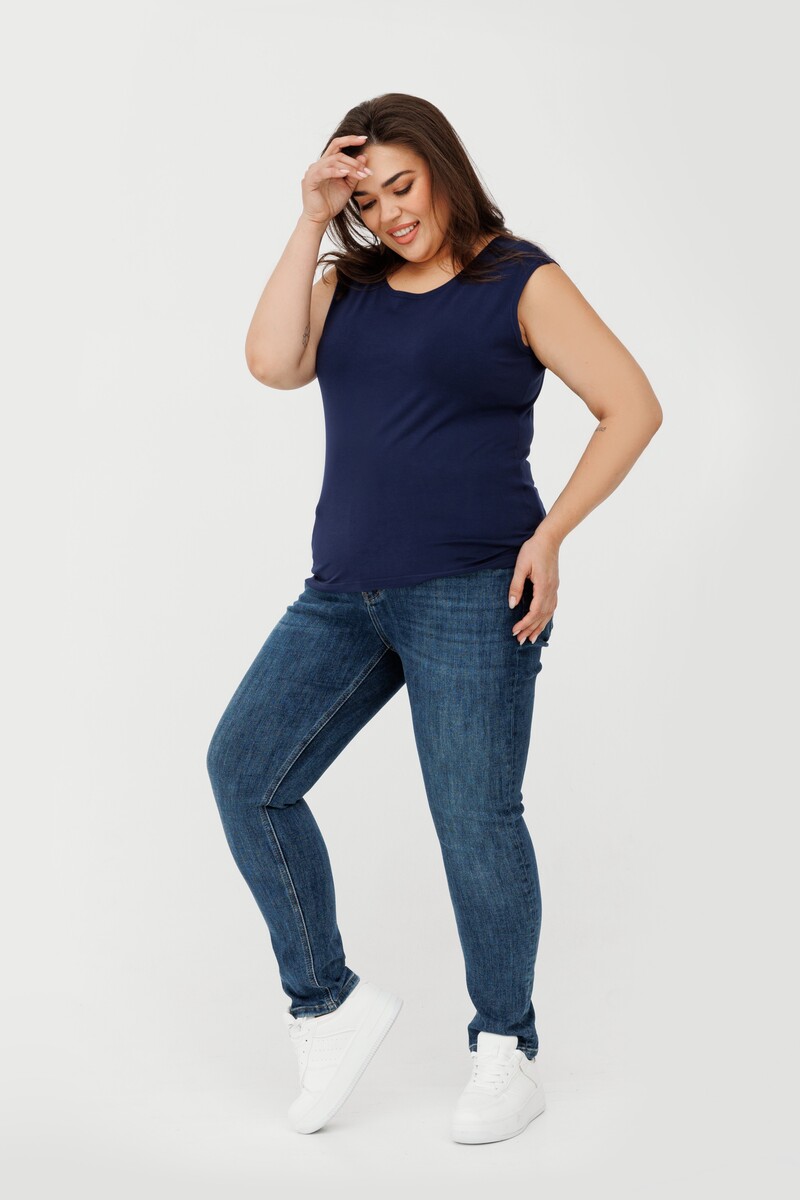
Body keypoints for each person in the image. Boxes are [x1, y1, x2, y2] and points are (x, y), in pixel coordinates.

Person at [206, 92, 662, 1144]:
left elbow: (630, 406)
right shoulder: (348, 282)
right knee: (244, 771)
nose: (390, 213)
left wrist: (550, 536)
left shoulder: (519, 279)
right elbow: (271, 363)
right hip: (342, 593)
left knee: (474, 820)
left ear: (444, 168)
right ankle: (327, 1004)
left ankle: (505, 1051)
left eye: (402, 186)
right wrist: (311, 219)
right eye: (367, 199)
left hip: (472, 588)